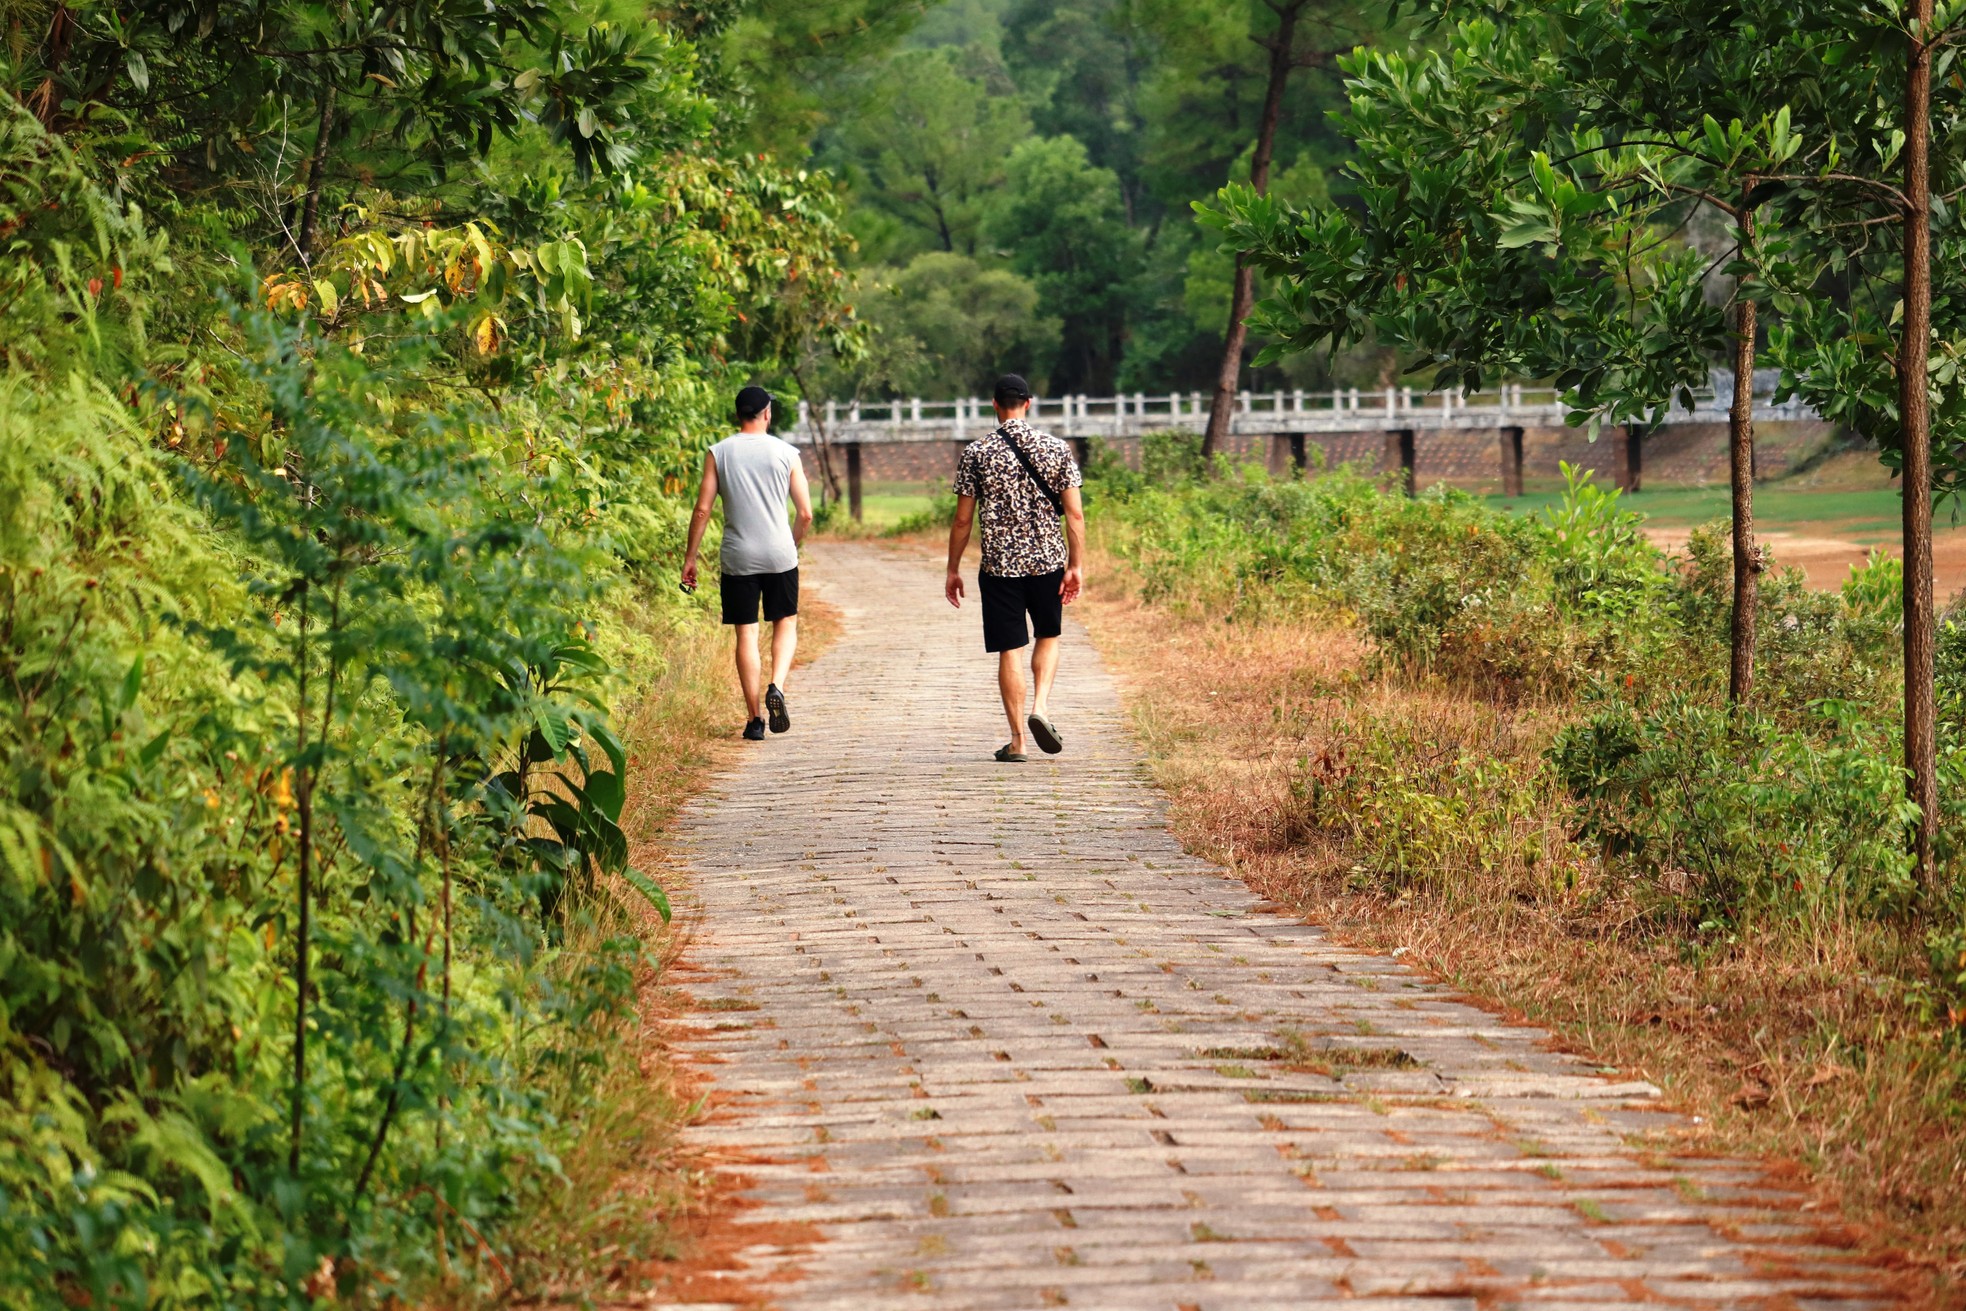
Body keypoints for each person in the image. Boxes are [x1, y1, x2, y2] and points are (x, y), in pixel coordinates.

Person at [944, 374, 1086, 762]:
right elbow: (1074, 514)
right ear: (1029, 403)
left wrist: (952, 568)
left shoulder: (977, 453)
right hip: (1047, 563)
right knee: (1048, 635)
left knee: (1010, 649)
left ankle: (1018, 740)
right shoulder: (1056, 448)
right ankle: (1040, 706)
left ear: (994, 404)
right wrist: (1075, 565)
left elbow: (961, 521)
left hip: (999, 566)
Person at [683, 386, 814, 741]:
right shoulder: (787, 453)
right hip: (779, 554)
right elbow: (805, 513)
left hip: (738, 556)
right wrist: (791, 544)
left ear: (739, 413)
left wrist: (690, 558)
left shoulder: (719, 452)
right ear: (767, 413)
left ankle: (755, 720)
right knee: (785, 622)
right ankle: (778, 686)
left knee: (746, 632)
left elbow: (702, 509)